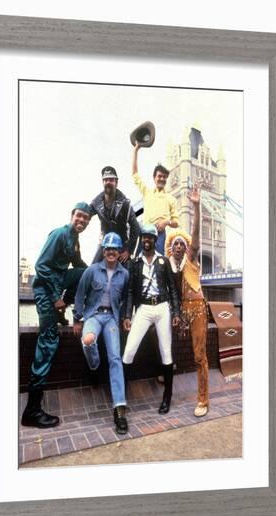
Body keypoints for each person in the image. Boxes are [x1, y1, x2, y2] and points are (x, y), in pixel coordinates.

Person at [21, 202, 91, 429]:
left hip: (56, 286)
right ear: (72, 216)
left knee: (85, 274)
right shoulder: (60, 234)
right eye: (78, 216)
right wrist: (54, 298)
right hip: (44, 291)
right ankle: (32, 410)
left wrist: (98, 270)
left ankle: (60, 312)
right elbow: (41, 265)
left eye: (85, 219)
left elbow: (79, 267)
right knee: (49, 340)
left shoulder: (74, 240)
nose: (81, 220)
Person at [73, 232, 130, 434]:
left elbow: (126, 299)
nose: (111, 252)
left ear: (119, 251)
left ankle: (119, 410)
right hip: (93, 316)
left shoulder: (124, 274)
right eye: (108, 249)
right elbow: (80, 295)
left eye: (114, 249)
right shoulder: (92, 271)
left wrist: (125, 317)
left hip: (112, 319)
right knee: (88, 341)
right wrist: (77, 318)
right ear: (103, 251)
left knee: (115, 358)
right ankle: (95, 366)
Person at [122, 224, 180, 414]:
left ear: (156, 240)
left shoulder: (163, 261)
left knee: (166, 352)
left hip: (162, 307)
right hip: (144, 308)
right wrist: (128, 315)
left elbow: (172, 288)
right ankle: (121, 398)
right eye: (144, 237)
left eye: (150, 238)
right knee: (129, 350)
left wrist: (176, 313)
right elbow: (130, 291)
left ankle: (167, 398)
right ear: (142, 240)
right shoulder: (135, 263)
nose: (147, 240)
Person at [165, 184, 209, 417]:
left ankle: (203, 400)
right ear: (171, 250)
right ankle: (163, 371)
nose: (181, 245)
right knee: (163, 336)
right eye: (176, 244)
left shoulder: (191, 259)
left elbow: (196, 235)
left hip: (198, 308)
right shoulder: (169, 266)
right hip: (180, 310)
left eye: (183, 243)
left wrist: (196, 206)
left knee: (199, 355)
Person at [132, 143, 179, 254]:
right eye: (159, 176)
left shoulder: (171, 199)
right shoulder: (147, 192)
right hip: (145, 232)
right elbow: (134, 174)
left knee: (157, 263)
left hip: (160, 235)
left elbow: (176, 222)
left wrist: (166, 222)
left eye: (164, 177)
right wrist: (135, 150)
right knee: (139, 260)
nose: (162, 179)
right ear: (154, 178)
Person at [90, 166, 140, 264]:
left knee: (126, 271)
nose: (108, 182)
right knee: (93, 268)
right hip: (105, 243)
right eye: (106, 180)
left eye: (111, 180)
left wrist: (129, 251)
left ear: (116, 182)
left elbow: (135, 227)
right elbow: (85, 215)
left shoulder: (125, 203)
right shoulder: (96, 202)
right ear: (103, 182)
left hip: (121, 244)